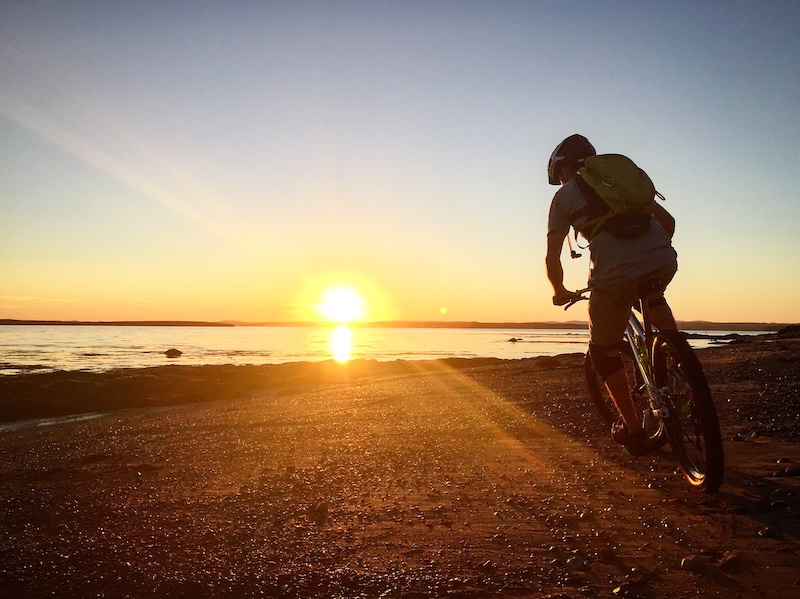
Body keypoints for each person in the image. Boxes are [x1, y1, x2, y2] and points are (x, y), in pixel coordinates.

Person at [544, 134, 679, 456]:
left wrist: (559, 290)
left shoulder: (564, 197)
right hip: (663, 259)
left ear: (563, 170)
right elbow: (669, 222)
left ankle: (634, 432)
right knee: (653, 295)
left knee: (603, 352)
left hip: (614, 275)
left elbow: (552, 257)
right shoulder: (619, 183)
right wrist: (653, 251)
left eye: (558, 175)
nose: (560, 180)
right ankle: (676, 360)